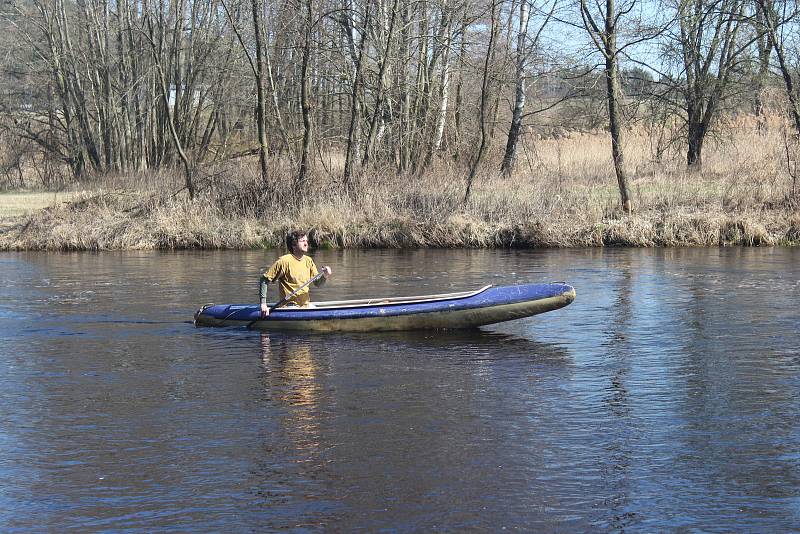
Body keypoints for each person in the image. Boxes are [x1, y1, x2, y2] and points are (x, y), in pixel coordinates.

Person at [259, 230, 332, 317]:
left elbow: (317, 283)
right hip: (289, 308)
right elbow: (264, 280)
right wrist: (263, 304)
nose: (306, 244)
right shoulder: (284, 261)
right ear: (294, 245)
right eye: (302, 241)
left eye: (306, 241)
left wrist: (325, 275)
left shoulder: (309, 261)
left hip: (306, 306)